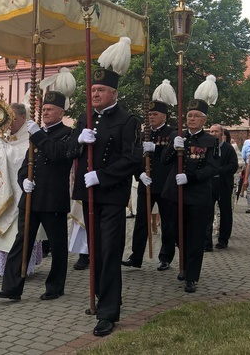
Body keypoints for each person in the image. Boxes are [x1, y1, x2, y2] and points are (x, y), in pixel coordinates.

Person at [66, 68, 142, 337]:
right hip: (88, 196)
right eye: (92, 90)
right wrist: (78, 138)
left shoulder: (127, 120)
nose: (94, 94)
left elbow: (132, 159)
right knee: (95, 249)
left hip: (111, 195)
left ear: (113, 93)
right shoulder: (84, 118)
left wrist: (102, 176)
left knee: (110, 250)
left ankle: (108, 311)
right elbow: (68, 152)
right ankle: (101, 296)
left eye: (100, 90)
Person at [0, 91, 73, 301]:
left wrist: (37, 134)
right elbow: (25, 167)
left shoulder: (67, 133)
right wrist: (23, 181)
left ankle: (55, 286)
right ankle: (11, 287)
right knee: (21, 242)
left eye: (49, 110)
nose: (45, 112)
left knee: (57, 245)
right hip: (31, 197)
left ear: (61, 112)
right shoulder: (37, 134)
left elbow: (56, 153)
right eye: (43, 109)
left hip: (52, 198)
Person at [0, 103, 42, 276]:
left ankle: (21, 268)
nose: (9, 122)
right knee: (2, 237)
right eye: (7, 117)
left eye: (13, 118)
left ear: (23, 118)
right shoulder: (0, 140)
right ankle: (2, 267)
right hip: (1, 194)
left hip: (21, 193)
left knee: (17, 234)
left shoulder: (30, 139)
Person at [161, 99, 218, 294]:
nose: (191, 119)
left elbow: (212, 167)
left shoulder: (211, 141)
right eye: (189, 116)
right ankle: (183, 264)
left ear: (204, 120)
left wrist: (191, 176)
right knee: (177, 232)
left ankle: (191, 276)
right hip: (175, 195)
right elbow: (164, 161)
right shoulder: (177, 136)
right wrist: (172, 147)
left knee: (195, 237)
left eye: (196, 116)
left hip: (197, 195)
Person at [122, 100, 174, 270]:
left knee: (167, 222)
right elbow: (136, 157)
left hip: (165, 184)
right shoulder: (143, 134)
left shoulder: (171, 133)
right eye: (149, 115)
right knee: (141, 222)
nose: (151, 117)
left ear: (164, 116)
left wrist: (156, 150)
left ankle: (166, 257)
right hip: (146, 183)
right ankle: (136, 256)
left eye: (155, 114)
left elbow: (171, 157)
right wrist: (140, 174)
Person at [207, 124, 238, 250]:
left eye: (216, 131)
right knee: (207, 211)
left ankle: (223, 239)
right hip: (209, 184)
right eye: (211, 131)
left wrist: (218, 170)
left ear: (222, 133)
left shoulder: (229, 149)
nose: (213, 133)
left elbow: (233, 166)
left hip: (223, 183)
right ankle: (206, 241)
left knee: (225, 211)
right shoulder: (207, 148)